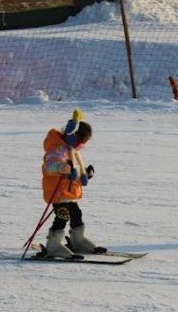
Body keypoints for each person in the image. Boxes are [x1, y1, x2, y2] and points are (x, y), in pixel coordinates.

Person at [40, 108, 106, 258]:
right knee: (62, 216)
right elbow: (48, 167)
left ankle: (78, 240)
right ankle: (53, 245)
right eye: (81, 141)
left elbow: (73, 170)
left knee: (76, 214)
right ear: (74, 135)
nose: (81, 146)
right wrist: (60, 168)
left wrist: (84, 175)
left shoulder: (71, 150)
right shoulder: (56, 148)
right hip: (57, 191)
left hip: (68, 191)